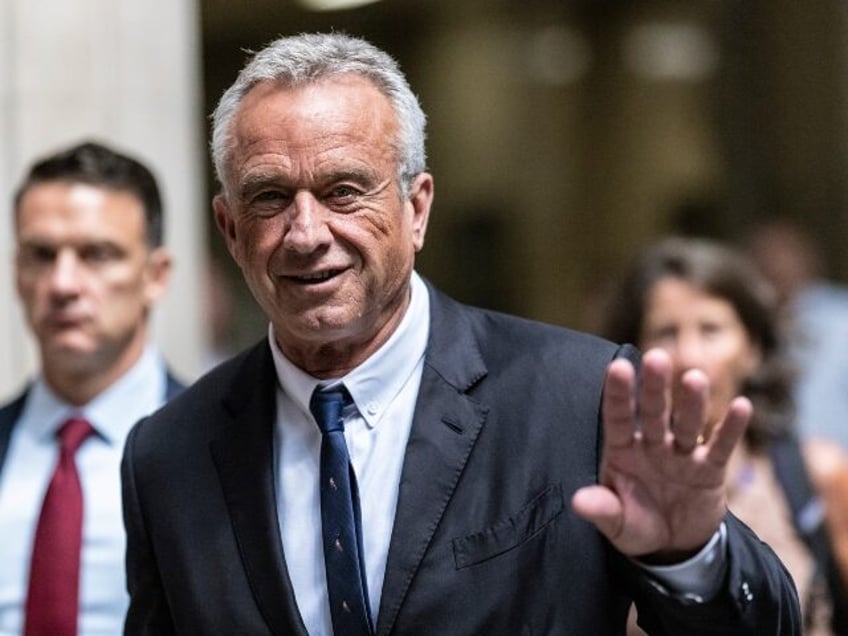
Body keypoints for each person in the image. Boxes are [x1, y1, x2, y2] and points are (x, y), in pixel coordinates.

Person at [121, 33, 800, 635]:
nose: (306, 234)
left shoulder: (575, 402)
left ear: (416, 209)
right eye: (269, 197)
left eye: (343, 191)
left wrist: (687, 557)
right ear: (230, 230)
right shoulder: (170, 456)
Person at [600, 236, 848, 634]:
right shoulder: (607, 488)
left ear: (752, 347)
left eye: (711, 329)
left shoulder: (815, 473)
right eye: (665, 332)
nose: (689, 356)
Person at [0, 140, 184, 635]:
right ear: (17, 272)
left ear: (156, 276)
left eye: (97, 254)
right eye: (41, 254)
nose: (62, 283)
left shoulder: (222, 448)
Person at [747, 217, 848, 451]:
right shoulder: (751, 329)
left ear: (808, 260)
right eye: (765, 258)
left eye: (784, 254)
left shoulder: (841, 318)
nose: (776, 265)